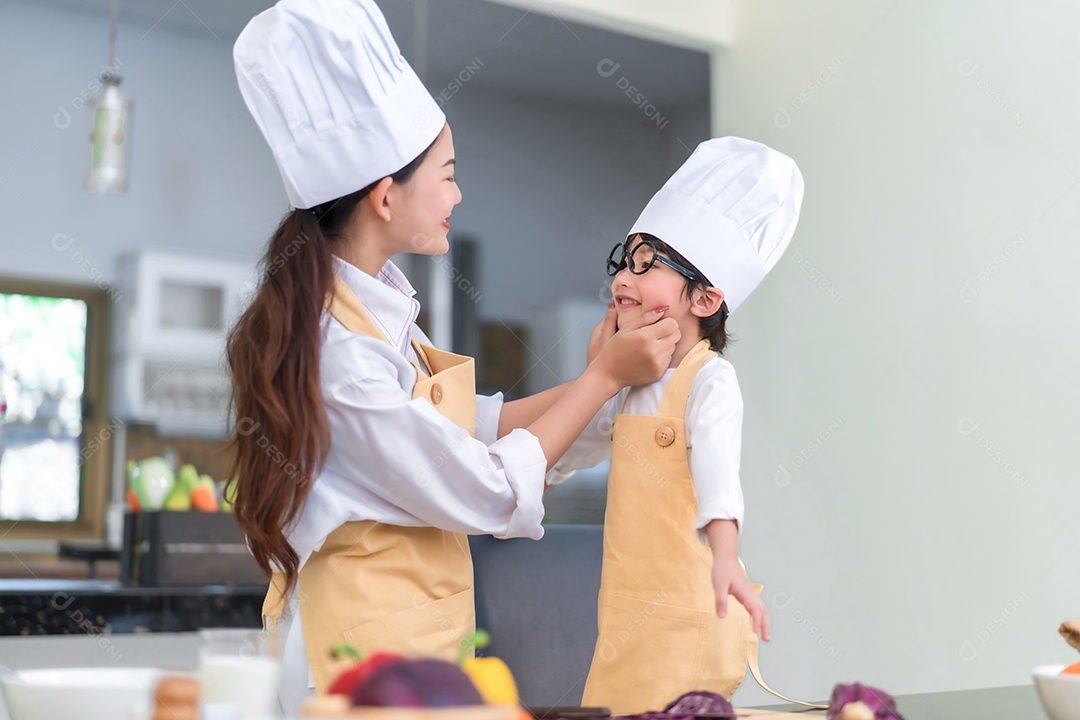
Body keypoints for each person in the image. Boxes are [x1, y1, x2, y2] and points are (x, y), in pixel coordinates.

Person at [226, 0, 680, 712]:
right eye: (446, 173)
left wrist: (608, 389)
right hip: (352, 670)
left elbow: (479, 428)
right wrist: (600, 379)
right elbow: (486, 486)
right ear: (384, 197)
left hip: (410, 661)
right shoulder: (340, 354)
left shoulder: (376, 319)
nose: (457, 194)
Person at [548, 137, 804, 715]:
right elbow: (581, 440)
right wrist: (534, 474)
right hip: (625, 613)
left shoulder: (709, 382)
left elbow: (718, 474)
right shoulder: (630, 379)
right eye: (624, 260)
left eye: (646, 264)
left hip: (688, 614)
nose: (624, 276)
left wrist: (724, 555)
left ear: (706, 297)